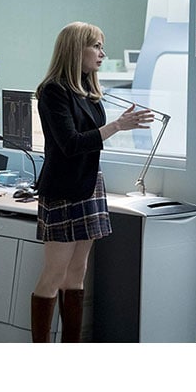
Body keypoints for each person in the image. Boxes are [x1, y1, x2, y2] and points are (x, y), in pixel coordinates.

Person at [31, 21, 154, 343]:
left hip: (88, 185)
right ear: (76, 49)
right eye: (96, 46)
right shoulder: (53, 92)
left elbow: (90, 138)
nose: (102, 53)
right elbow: (70, 143)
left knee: (78, 271)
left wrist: (117, 126)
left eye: (101, 46)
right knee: (54, 274)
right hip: (63, 190)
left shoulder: (90, 92)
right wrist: (117, 126)